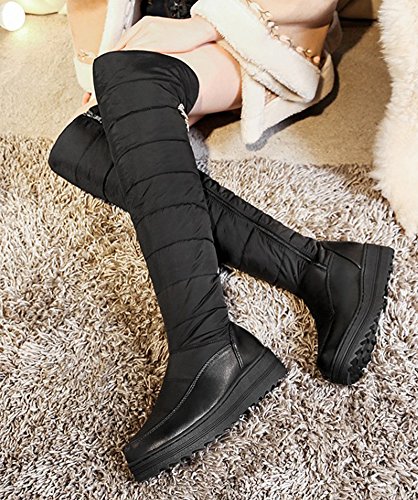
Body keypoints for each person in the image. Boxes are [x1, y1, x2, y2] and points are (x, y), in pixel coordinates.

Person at [48, 0, 394, 483]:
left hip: (259, 32)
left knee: (133, 78)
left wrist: (202, 25)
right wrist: (115, 65)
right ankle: (321, 269)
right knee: (80, 145)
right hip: (155, 42)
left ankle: (207, 345)